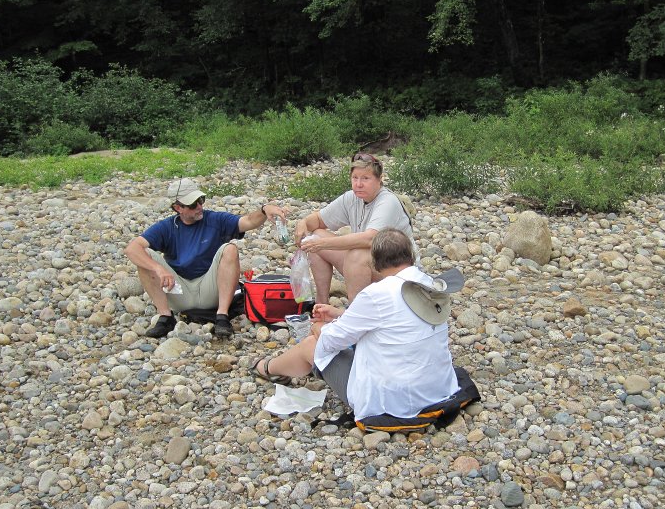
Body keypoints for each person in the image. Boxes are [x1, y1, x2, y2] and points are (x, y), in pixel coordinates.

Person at [250, 228, 460, 424]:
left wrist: (320, 328)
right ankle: (274, 369)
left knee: (312, 344)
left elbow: (332, 341)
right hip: (438, 388)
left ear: (375, 264)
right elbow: (394, 320)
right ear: (411, 256)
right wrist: (341, 315)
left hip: (394, 401)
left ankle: (268, 368)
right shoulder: (428, 283)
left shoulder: (377, 293)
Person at [125, 177, 286, 339]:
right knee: (144, 255)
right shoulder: (166, 227)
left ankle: (222, 316)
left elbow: (248, 221)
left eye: (201, 200)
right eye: (193, 204)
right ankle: (165, 317)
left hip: (211, 291)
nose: (200, 207)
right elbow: (132, 249)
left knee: (230, 249)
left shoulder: (215, 220)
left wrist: (265, 209)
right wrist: (158, 269)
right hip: (180, 292)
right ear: (178, 208)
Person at [294, 153, 415, 305]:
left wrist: (322, 244)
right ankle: (321, 306)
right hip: (374, 263)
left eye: (365, 178)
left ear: (379, 179)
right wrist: (303, 223)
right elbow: (318, 220)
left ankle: (355, 314)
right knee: (316, 236)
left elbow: (370, 239)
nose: (358, 184)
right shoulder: (352, 198)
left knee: (356, 254)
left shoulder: (387, 201)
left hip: (399, 273)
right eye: (355, 178)